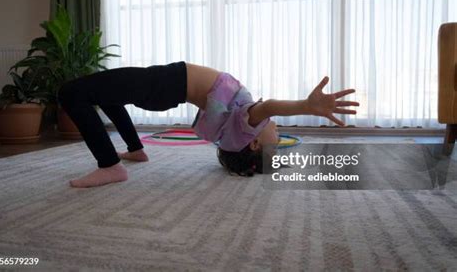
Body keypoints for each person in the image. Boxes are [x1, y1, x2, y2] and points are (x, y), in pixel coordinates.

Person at [58, 61, 359, 188]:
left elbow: (269, 107)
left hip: (165, 82)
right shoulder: (233, 136)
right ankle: (135, 149)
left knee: (71, 93)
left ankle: (110, 165)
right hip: (167, 87)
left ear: (254, 142)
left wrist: (306, 106)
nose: (275, 128)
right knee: (104, 94)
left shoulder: (246, 125)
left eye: (274, 136)